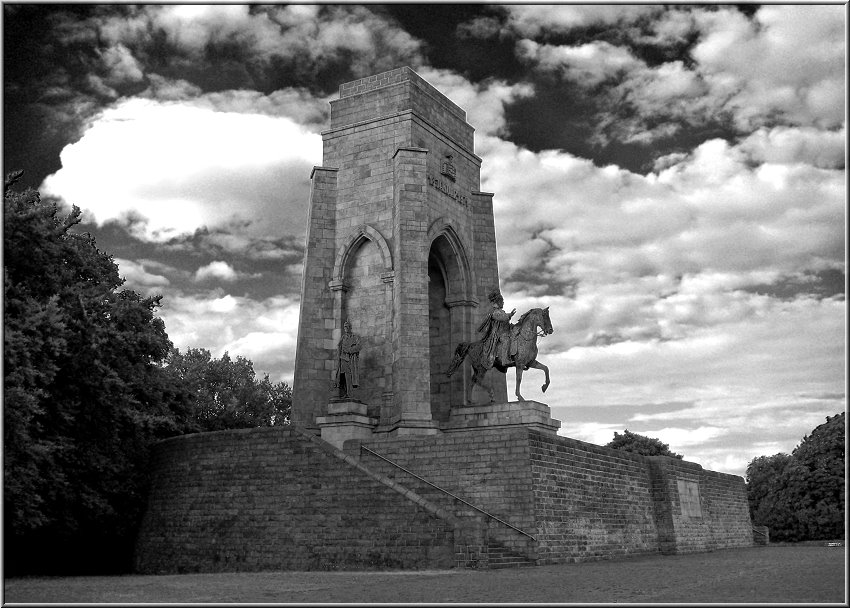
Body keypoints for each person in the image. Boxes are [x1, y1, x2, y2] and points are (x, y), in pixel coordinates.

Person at [477, 289, 516, 368]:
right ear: (498, 302)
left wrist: (510, 314)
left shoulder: (501, 311)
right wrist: (509, 315)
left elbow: (504, 317)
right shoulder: (495, 312)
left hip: (505, 331)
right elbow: (502, 318)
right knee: (506, 340)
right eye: (502, 301)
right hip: (498, 333)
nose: (503, 303)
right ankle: (505, 360)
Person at [333, 319, 362, 399]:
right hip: (343, 359)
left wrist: (350, 350)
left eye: (347, 326)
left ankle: (349, 393)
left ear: (350, 327)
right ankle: (347, 393)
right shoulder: (343, 338)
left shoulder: (355, 337)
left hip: (351, 360)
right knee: (344, 377)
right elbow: (339, 348)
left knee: (350, 376)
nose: (346, 328)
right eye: (344, 327)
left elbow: (359, 346)